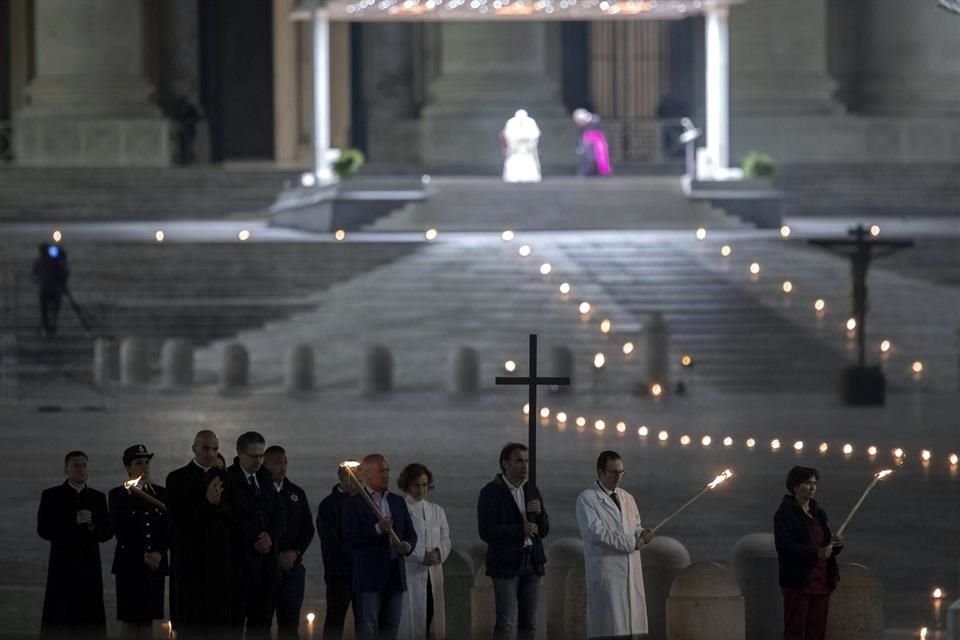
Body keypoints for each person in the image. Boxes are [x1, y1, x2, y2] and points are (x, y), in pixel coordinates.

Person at [575, 450, 653, 639]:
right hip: (607, 573)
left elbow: (634, 525)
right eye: (613, 472)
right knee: (610, 628)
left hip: (630, 571)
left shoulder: (627, 498)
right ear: (601, 472)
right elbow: (596, 534)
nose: (618, 477)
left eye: (621, 472)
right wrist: (632, 542)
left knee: (631, 627)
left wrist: (642, 533)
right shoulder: (587, 499)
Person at [477, 443, 550, 640]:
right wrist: (520, 530)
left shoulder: (531, 489)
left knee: (529, 623)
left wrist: (540, 513)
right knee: (505, 622)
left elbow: (543, 531)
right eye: (519, 461)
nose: (524, 466)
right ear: (505, 464)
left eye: (526, 461)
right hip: (505, 564)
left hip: (532, 562)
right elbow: (486, 531)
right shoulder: (490, 493)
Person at [37, 450, 113, 639]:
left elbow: (107, 533)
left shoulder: (98, 497)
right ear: (66, 469)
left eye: (84, 465)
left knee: (89, 617)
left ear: (89, 469)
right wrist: (74, 522)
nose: (80, 469)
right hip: (62, 567)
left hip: (89, 567)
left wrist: (93, 525)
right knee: (61, 616)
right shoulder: (51, 495)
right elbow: (44, 529)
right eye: (75, 465)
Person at [166, 430, 233, 638]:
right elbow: (178, 518)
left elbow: (233, 516)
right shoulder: (177, 478)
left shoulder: (226, 478)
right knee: (190, 623)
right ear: (194, 448)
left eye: (215, 448)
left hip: (219, 564)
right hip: (189, 563)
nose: (211, 453)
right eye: (205, 448)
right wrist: (208, 504)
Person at [342, 454, 417, 640]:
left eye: (387, 470)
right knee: (368, 627)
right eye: (381, 471)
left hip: (394, 574)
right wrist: (377, 529)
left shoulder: (397, 502)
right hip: (369, 576)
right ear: (366, 474)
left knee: (391, 627)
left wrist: (407, 546)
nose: (386, 475)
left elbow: (410, 533)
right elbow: (350, 538)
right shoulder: (354, 503)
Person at [224, 431, 283, 639]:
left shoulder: (265, 477)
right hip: (240, 566)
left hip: (266, 567)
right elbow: (229, 518)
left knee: (262, 625)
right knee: (235, 624)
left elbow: (277, 513)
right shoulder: (228, 479)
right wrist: (254, 540)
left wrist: (270, 536)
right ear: (240, 453)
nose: (259, 461)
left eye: (261, 455)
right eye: (253, 456)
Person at [774, 466, 844, 640]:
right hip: (799, 582)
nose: (813, 487)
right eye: (807, 483)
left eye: (814, 483)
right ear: (795, 486)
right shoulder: (785, 514)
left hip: (822, 582)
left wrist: (836, 545)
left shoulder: (819, 513)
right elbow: (785, 546)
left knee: (817, 631)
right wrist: (816, 552)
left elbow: (826, 546)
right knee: (795, 631)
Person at [108, 444, 170, 640]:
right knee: (130, 620)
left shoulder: (161, 494)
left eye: (146, 462)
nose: (144, 466)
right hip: (130, 565)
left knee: (147, 621)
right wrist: (143, 555)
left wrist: (159, 553)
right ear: (128, 467)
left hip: (155, 566)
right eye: (138, 462)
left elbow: (168, 529)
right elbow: (121, 531)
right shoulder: (118, 495)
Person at [263, 445, 315, 639]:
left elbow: (307, 529)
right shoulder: (258, 491)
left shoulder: (296, 493)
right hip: (266, 567)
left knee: (290, 624)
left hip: (292, 568)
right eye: (277, 462)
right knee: (262, 621)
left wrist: (296, 553)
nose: (282, 467)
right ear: (265, 463)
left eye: (285, 462)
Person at [397, 463, 451, 640]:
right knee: (409, 620)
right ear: (407, 485)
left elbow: (446, 539)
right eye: (416, 485)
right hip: (410, 572)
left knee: (430, 616)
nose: (421, 490)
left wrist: (438, 553)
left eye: (424, 485)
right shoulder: (401, 509)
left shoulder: (437, 511)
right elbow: (399, 541)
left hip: (433, 573)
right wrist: (421, 556)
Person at [318, 463, 362, 640]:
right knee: (335, 622)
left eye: (359, 480)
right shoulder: (328, 505)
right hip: (339, 575)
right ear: (341, 477)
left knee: (365, 622)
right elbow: (331, 542)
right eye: (351, 479)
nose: (356, 484)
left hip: (363, 576)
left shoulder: (367, 502)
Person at [31, 242, 69, 336]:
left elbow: (34, 276)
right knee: (51, 311)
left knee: (48, 311)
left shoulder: (40, 262)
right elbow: (65, 273)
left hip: (48, 290)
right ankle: (48, 327)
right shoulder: (44, 262)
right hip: (53, 290)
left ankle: (47, 328)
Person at [500, 109, 542, 183]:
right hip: (516, 148)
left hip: (527, 148)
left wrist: (527, 140)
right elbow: (507, 134)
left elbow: (535, 133)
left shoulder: (531, 122)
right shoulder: (511, 122)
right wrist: (516, 140)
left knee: (528, 162)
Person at [573, 108, 612, 177]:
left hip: (598, 140)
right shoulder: (580, 126)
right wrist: (580, 146)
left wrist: (605, 141)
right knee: (588, 157)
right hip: (587, 141)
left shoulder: (595, 120)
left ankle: (603, 173)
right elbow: (580, 136)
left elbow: (603, 131)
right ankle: (584, 173)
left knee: (601, 157)